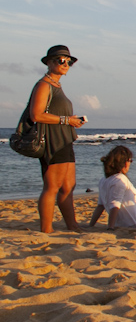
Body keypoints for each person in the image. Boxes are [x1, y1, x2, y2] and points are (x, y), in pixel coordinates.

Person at [30, 45, 86, 233]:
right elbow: (36, 115)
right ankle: (46, 229)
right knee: (52, 186)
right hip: (52, 141)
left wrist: (72, 121)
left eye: (68, 61)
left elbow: (58, 115)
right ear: (49, 63)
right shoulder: (44, 85)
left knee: (69, 186)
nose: (66, 64)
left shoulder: (56, 86)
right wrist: (66, 119)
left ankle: (72, 225)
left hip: (65, 139)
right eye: (61, 60)